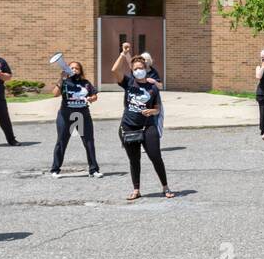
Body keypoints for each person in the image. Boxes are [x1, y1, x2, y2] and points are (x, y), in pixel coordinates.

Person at [112, 42, 174, 201]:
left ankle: (165, 187)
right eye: (135, 68)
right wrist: (122, 53)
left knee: (155, 156)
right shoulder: (128, 83)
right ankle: (136, 189)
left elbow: (157, 107)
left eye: (141, 68)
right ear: (132, 71)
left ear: (146, 69)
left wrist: (153, 111)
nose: (139, 70)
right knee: (134, 159)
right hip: (129, 126)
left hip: (148, 126)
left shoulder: (152, 87)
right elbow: (114, 70)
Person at [49, 58, 101, 178]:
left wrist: (92, 98)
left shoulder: (85, 83)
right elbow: (55, 94)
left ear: (80, 71)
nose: (74, 70)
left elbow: (94, 96)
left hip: (82, 116)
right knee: (61, 141)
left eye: (76, 68)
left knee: (88, 142)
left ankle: (94, 170)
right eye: (71, 68)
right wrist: (61, 78)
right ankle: (55, 169)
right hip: (65, 116)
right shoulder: (65, 82)